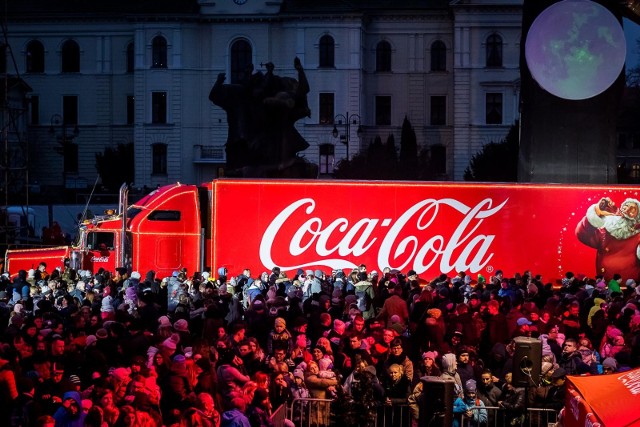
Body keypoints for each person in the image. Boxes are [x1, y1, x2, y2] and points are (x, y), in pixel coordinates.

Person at [576, 197, 640, 280]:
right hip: (603, 284)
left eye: (633, 209)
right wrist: (597, 212)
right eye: (626, 205)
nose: (628, 209)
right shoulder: (609, 228)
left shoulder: (637, 236)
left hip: (627, 286)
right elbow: (583, 235)